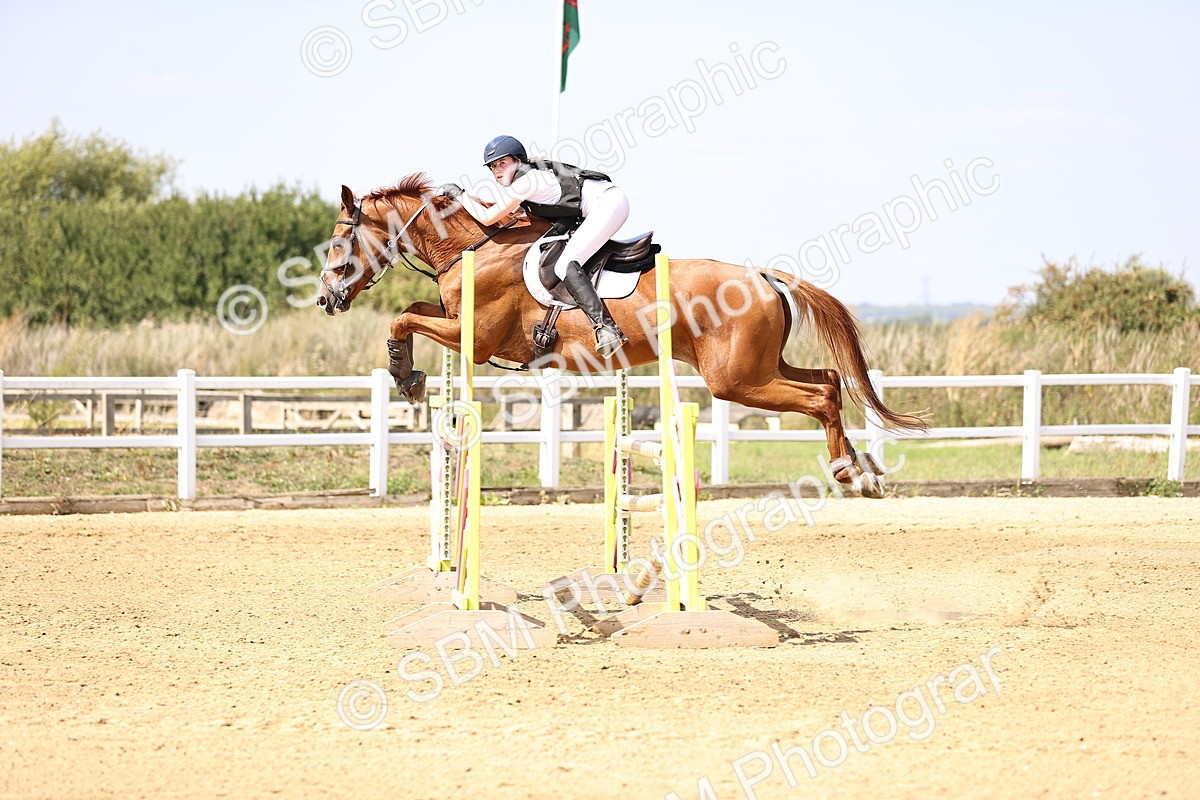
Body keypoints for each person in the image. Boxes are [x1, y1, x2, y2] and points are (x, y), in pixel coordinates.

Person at [437, 135, 629, 358]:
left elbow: (489, 218)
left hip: (607, 204)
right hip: (603, 204)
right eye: (492, 167)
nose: (497, 170)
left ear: (518, 160)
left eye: (502, 163)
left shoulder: (526, 182)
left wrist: (460, 195)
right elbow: (511, 213)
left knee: (566, 265)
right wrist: (468, 198)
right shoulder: (529, 177)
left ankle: (606, 328)